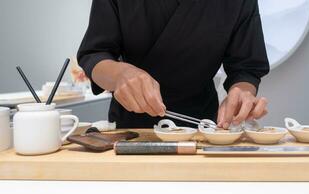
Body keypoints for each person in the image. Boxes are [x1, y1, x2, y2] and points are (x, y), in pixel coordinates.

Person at [77, 0, 270, 129]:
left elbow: (246, 68)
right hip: (132, 129)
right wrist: (120, 75)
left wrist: (243, 92)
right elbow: (94, 53)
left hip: (201, 128)